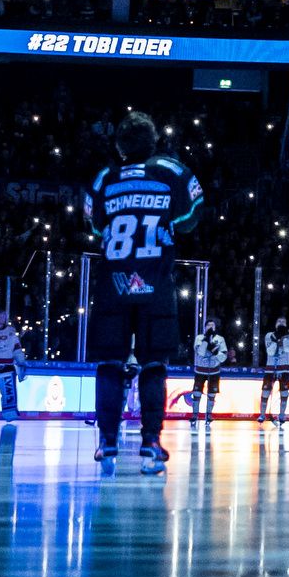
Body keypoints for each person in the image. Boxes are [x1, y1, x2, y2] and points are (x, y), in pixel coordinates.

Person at [84, 112, 202, 472]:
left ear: (120, 145)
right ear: (154, 142)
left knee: (108, 365)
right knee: (154, 365)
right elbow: (190, 219)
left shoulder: (106, 177)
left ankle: (107, 442)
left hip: (113, 284)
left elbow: (94, 223)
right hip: (156, 283)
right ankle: (151, 441)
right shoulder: (171, 170)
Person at [189, 319, 229, 422]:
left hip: (214, 370)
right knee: (197, 392)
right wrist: (206, 341)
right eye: (208, 325)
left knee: (212, 393)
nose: (210, 327)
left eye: (212, 325)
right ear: (205, 327)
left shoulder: (220, 339)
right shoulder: (199, 338)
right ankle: (195, 414)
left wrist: (215, 352)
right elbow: (200, 352)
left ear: (215, 327)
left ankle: (209, 414)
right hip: (200, 370)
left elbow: (223, 356)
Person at [262, 322, 289, 425]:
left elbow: (288, 349)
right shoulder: (269, 335)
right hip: (271, 368)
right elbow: (270, 352)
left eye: (283, 322)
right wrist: (276, 341)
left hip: (284, 368)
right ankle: (262, 414)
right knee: (266, 391)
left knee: (284, 392)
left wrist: (283, 339)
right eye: (279, 322)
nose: (281, 324)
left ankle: (282, 415)